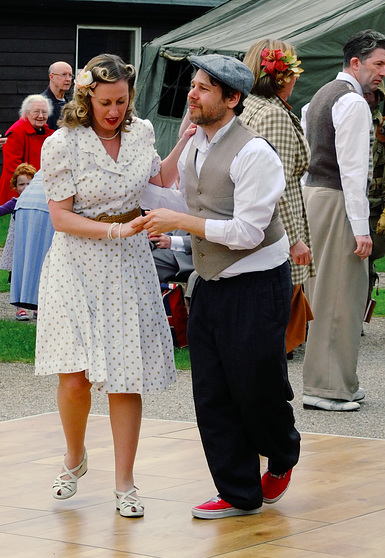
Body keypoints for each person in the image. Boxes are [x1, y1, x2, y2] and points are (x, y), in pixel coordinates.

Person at [132, 54, 300, 519]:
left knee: (257, 387)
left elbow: (247, 232)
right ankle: (238, 492)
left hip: (257, 284)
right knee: (211, 392)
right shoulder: (193, 146)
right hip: (207, 283)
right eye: (193, 85)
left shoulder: (255, 153)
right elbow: (175, 196)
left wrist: (181, 222)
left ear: (232, 99)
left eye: (204, 88)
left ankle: (283, 451)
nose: (192, 94)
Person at [35, 53, 195, 518]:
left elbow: (160, 179)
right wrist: (112, 231)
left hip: (127, 266)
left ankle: (125, 482)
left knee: (126, 378)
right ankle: (74, 457)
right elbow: (60, 217)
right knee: (75, 375)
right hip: (77, 264)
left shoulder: (140, 132)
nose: (114, 111)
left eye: (121, 101)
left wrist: (181, 141)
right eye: (106, 102)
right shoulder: (62, 144)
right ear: (87, 98)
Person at [302, 29, 385, 412]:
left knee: (323, 290)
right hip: (337, 199)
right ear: (355, 63)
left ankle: (339, 381)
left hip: (315, 196)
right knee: (341, 294)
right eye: (378, 64)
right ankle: (327, 387)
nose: (384, 72)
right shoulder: (353, 104)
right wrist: (362, 230)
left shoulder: (321, 95)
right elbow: (353, 171)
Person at [241, 38, 314, 355]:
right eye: (295, 67)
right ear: (285, 74)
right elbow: (278, 182)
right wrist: (294, 239)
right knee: (275, 324)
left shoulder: (249, 106)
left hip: (258, 226)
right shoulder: (272, 115)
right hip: (276, 234)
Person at [364, 82, 385, 299]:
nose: (367, 98)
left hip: (372, 209)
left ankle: (359, 314)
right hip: (343, 205)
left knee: (366, 265)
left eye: (372, 94)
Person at [10, 170, 55, 319]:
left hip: (25, 205)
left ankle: (34, 303)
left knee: (24, 257)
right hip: (45, 205)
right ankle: (35, 303)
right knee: (46, 257)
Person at [0, 94, 53, 204]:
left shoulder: (49, 134)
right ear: (26, 113)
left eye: (44, 112)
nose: (41, 116)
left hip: (38, 188)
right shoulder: (16, 132)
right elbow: (13, 170)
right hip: (18, 192)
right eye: (36, 112)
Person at [0, 162, 37, 320]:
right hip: (18, 245)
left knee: (37, 272)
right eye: (22, 184)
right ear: (15, 186)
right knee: (19, 273)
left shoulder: (39, 202)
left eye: (30, 183)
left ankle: (37, 305)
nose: (26, 187)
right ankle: (20, 308)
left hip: (35, 244)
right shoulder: (15, 203)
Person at [42, 61, 73, 130]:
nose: (68, 79)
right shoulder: (41, 104)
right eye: (64, 74)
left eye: (70, 75)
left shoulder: (71, 104)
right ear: (51, 77)